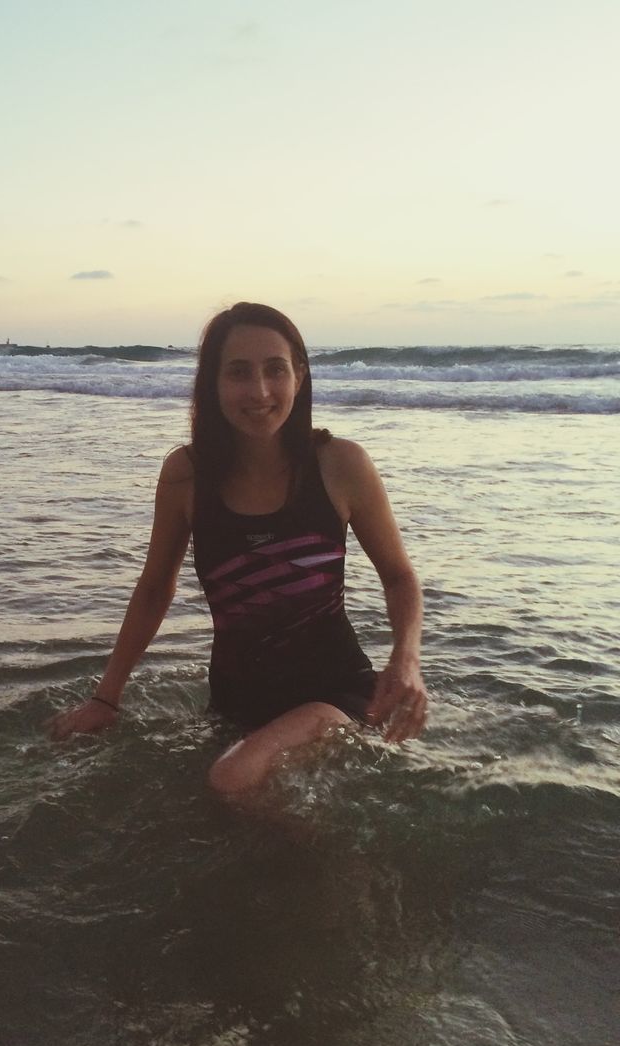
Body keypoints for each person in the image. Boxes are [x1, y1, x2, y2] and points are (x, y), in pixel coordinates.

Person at [48, 302, 427, 798]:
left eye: (276, 370)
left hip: (336, 696)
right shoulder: (186, 477)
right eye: (239, 373)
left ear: (300, 375)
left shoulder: (339, 465)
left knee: (232, 778)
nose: (260, 391)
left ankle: (340, 872)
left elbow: (398, 577)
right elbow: (154, 588)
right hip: (233, 704)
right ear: (213, 383)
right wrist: (106, 699)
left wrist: (406, 659)